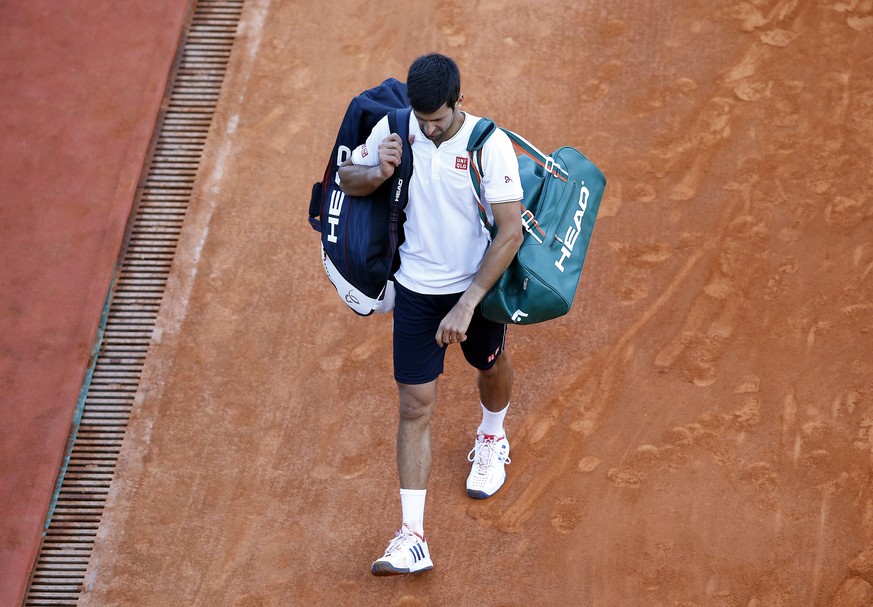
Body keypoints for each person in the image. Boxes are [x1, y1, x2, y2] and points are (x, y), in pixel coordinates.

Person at [337, 53, 524, 576]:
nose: (428, 127)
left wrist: (468, 303)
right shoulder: (397, 127)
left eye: (437, 119)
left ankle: (492, 434)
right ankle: (412, 536)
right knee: (414, 406)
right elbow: (346, 179)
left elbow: (510, 231)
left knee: (490, 364)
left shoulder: (491, 144)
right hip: (417, 289)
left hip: (476, 287)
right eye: (421, 119)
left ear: (458, 100)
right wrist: (378, 168)